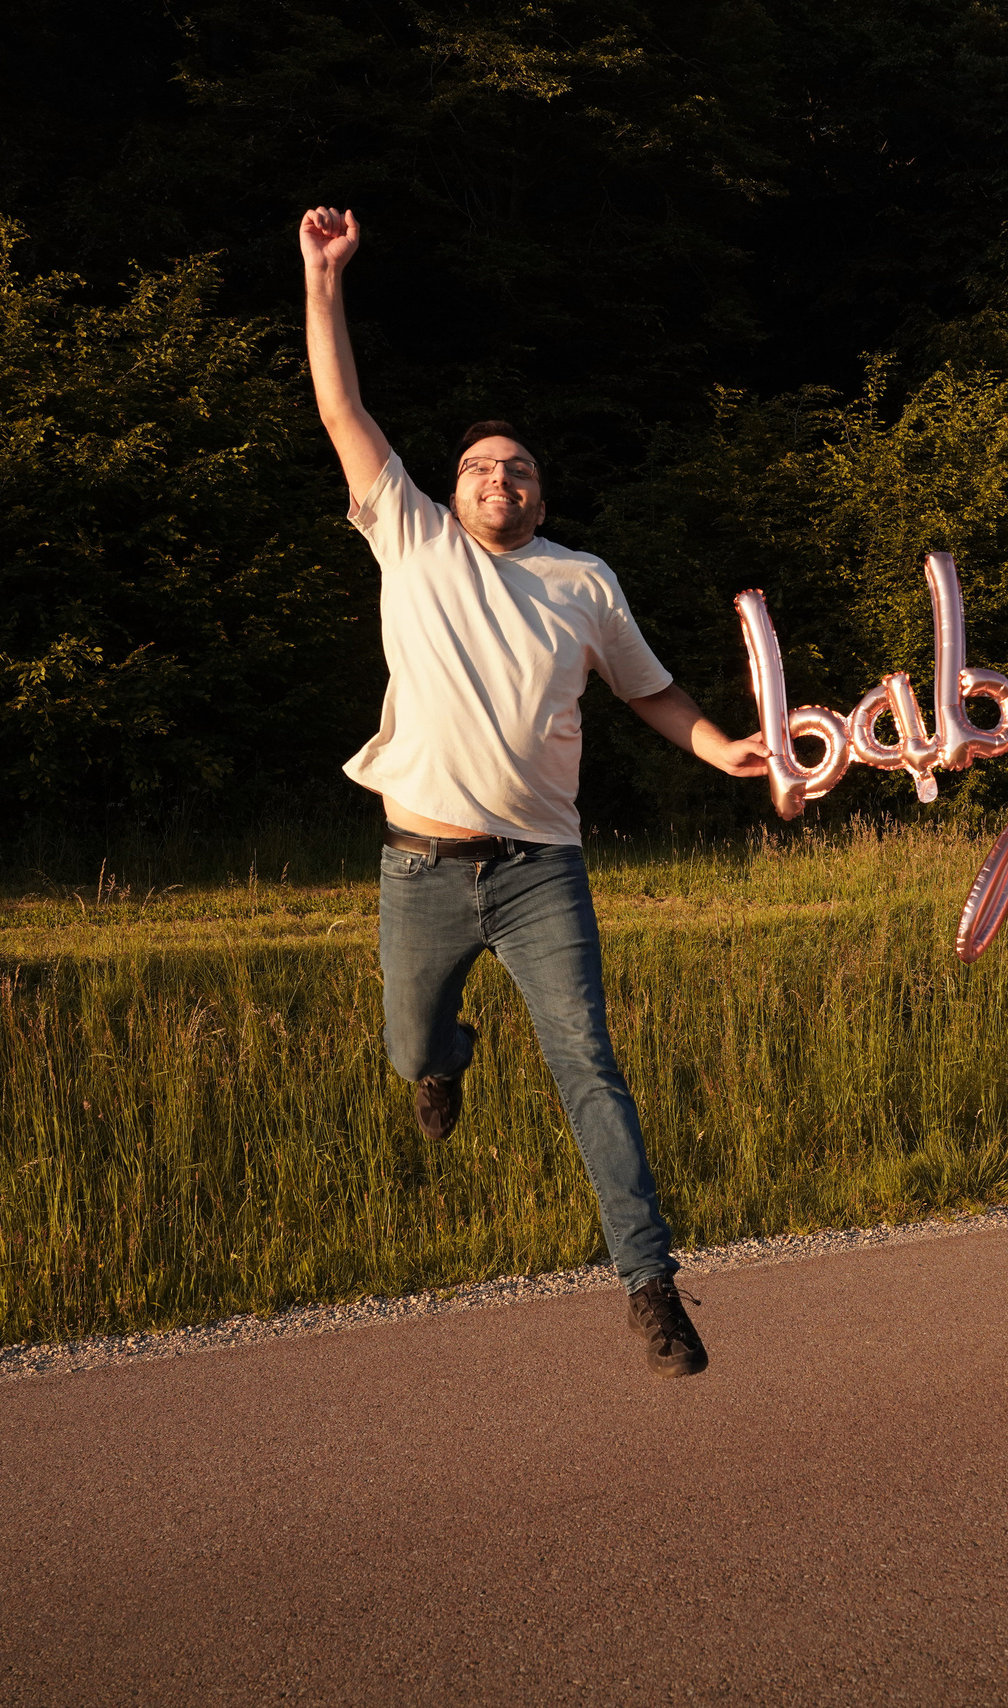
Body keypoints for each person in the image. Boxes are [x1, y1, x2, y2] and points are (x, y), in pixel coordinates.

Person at [299, 205, 769, 1378]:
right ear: (448, 491)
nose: (496, 477)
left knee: (589, 1067)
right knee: (409, 1043)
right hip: (419, 868)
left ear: (541, 499)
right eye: (477, 467)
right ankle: (442, 1059)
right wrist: (325, 280)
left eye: (517, 468)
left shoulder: (583, 582)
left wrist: (721, 749)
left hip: (540, 875)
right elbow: (342, 410)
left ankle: (650, 1286)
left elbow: (651, 691)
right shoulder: (411, 538)